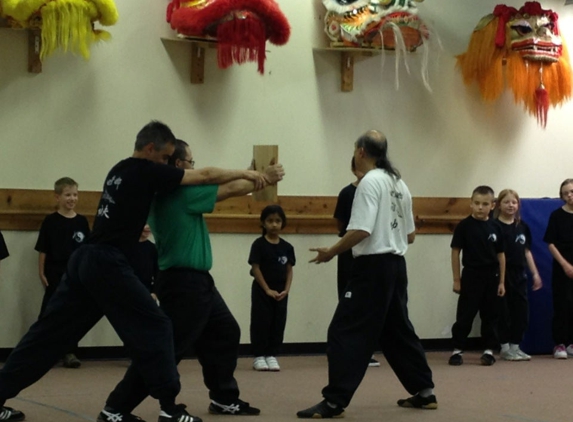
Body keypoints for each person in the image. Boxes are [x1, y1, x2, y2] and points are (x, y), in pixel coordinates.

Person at [0, 121, 276, 422]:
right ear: (150, 149)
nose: (167, 164)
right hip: (107, 262)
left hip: (86, 259)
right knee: (157, 328)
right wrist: (251, 173)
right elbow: (208, 175)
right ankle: (167, 409)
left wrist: (254, 175)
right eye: (165, 157)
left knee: (47, 336)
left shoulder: (118, 170)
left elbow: (205, 182)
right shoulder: (148, 170)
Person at [103, 139, 283, 418]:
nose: (193, 168)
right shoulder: (178, 195)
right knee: (165, 350)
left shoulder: (172, 192)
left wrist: (254, 171)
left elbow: (228, 183)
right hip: (183, 285)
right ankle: (116, 408)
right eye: (190, 163)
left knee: (225, 331)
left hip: (198, 283)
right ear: (178, 165)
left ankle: (224, 397)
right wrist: (263, 178)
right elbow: (232, 188)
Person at [297, 130, 436, 419]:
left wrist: (332, 251)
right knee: (397, 330)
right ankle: (424, 391)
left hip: (373, 268)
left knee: (344, 331)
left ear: (360, 151)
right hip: (396, 268)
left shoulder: (369, 182)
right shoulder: (399, 183)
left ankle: (334, 402)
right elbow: (410, 235)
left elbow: (361, 229)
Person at [35, 177, 91, 369]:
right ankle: (40, 350)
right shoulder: (50, 222)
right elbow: (43, 249)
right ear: (57, 197)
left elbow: (87, 250)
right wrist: (42, 272)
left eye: (75, 194)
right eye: (68, 195)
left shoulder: (82, 221)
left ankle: (69, 351)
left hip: (75, 273)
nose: (72, 198)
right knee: (49, 312)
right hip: (54, 272)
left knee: (73, 313)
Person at [449, 185, 505, 367]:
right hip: (471, 275)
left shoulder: (496, 226)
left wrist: (502, 281)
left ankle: (488, 350)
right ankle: (457, 350)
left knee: (490, 315)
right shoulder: (464, 226)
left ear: (493, 205)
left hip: (492, 276)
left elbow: (501, 255)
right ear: (471, 204)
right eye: (477, 203)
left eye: (485, 204)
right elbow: (455, 252)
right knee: (465, 314)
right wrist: (457, 279)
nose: (481, 207)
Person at [333, 157, 379, 368]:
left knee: (368, 301)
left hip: (371, 252)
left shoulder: (377, 191)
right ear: (353, 168)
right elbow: (341, 224)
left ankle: (365, 350)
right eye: (358, 168)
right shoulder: (347, 193)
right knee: (346, 297)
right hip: (348, 250)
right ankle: (345, 349)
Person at [494, 189, 542, 361]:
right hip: (500, 275)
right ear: (499, 205)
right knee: (503, 311)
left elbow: (527, 251)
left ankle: (515, 346)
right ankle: (504, 347)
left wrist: (535, 273)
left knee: (521, 311)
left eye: (514, 202)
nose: (510, 205)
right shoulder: (494, 226)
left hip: (519, 274)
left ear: (518, 205)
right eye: (506, 202)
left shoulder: (522, 227)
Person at [249, 205, 295, 372]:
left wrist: (287, 290)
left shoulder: (287, 247)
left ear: (283, 223)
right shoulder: (259, 245)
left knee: (278, 322)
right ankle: (259, 355)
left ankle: (272, 354)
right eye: (270, 221)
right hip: (263, 290)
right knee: (261, 321)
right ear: (263, 223)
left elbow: (289, 270)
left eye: (278, 221)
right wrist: (267, 289)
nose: (274, 224)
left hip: (281, 292)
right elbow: (256, 268)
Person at [543, 178, 573, 359]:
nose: (570, 195)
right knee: (563, 305)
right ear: (562, 196)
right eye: (566, 193)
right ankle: (560, 344)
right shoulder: (556, 215)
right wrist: (565, 265)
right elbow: (551, 243)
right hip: (563, 267)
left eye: (572, 191)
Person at [129, 224, 159, 295]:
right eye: (145, 224)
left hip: (146, 291)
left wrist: (154, 291)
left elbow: (157, 272)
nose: (148, 227)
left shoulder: (153, 248)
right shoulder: (126, 247)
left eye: (150, 224)